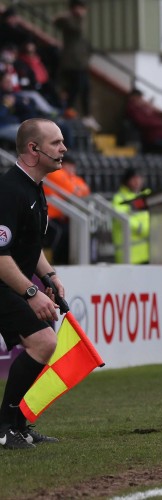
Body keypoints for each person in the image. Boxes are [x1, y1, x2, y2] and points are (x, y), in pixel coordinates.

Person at [0, 118, 66, 449]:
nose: (63, 149)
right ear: (33, 149)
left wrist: (49, 276)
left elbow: (29, 247)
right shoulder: (10, 191)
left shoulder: (35, 189)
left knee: (43, 343)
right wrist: (31, 293)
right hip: (3, 283)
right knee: (43, 342)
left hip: (11, 284)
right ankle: (5, 427)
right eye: (56, 143)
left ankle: (17, 425)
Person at [54, 0, 98, 130]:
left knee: (86, 89)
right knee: (75, 87)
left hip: (81, 62)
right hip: (72, 63)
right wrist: (73, 15)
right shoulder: (70, 20)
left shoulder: (78, 22)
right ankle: (68, 110)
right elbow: (61, 23)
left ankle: (87, 115)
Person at [43, 155, 90, 264]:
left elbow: (85, 190)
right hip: (49, 215)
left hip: (61, 216)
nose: (73, 169)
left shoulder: (72, 177)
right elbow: (72, 191)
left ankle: (64, 261)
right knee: (60, 233)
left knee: (69, 232)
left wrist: (77, 189)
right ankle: (54, 262)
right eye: (70, 165)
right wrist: (76, 189)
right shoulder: (56, 173)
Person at [112, 167, 150, 264]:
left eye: (139, 178)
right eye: (134, 179)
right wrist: (142, 228)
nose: (137, 181)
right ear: (127, 181)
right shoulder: (119, 198)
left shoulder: (146, 195)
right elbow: (123, 219)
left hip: (148, 253)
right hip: (129, 255)